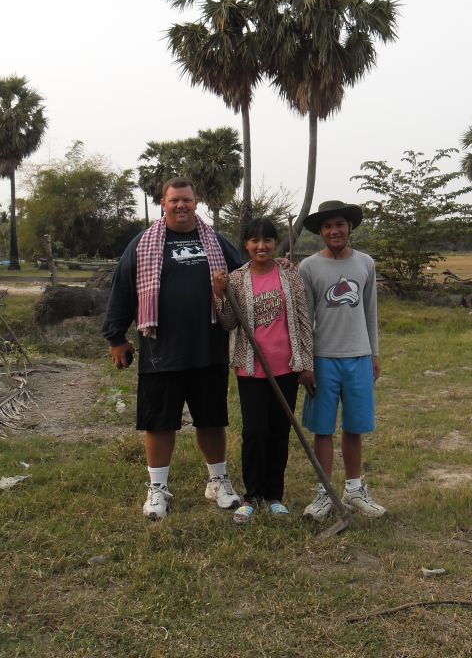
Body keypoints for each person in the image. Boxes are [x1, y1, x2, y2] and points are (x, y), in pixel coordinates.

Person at [102, 177, 242, 521]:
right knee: (159, 422)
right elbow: (122, 288)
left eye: (187, 200)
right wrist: (116, 337)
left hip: (208, 347)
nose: (181, 205)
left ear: (197, 203)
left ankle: (218, 481)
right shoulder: (143, 243)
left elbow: (245, 275)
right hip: (160, 349)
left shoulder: (215, 241)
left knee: (211, 419)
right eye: (174, 200)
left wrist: (274, 268)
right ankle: (157, 489)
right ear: (163, 203)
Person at [212, 218, 315, 525]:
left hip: (286, 366)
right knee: (255, 432)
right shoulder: (236, 279)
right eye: (255, 241)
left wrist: (306, 364)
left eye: (268, 240)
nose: (262, 246)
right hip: (252, 368)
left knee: (280, 432)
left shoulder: (289, 275)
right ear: (245, 244)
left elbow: (302, 320)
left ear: (276, 243)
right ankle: (252, 496)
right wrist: (219, 294)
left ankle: (275, 496)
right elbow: (229, 323)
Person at [298, 200, 386, 522]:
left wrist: (374, 353)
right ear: (320, 231)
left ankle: (353, 489)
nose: (334, 231)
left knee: (355, 426)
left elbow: (370, 312)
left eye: (340, 225)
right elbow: (304, 319)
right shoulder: (308, 267)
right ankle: (325, 492)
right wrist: (305, 362)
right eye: (327, 226)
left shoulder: (365, 263)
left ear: (350, 227)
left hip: (359, 356)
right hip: (322, 358)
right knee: (323, 429)